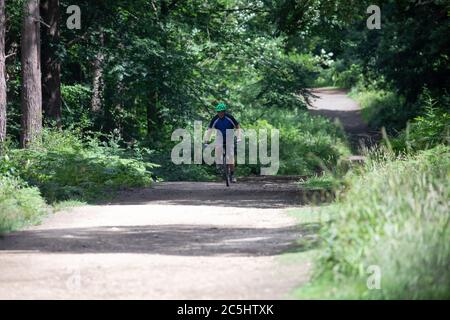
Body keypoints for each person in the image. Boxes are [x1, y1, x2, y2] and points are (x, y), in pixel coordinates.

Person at [204, 103, 241, 183]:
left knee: (231, 156)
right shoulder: (215, 119)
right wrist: (206, 140)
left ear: (224, 112)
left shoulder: (229, 117)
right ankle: (219, 162)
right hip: (220, 136)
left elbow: (237, 126)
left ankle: (232, 174)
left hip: (229, 136)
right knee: (217, 147)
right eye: (218, 112)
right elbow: (209, 130)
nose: (220, 113)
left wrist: (239, 137)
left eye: (221, 112)